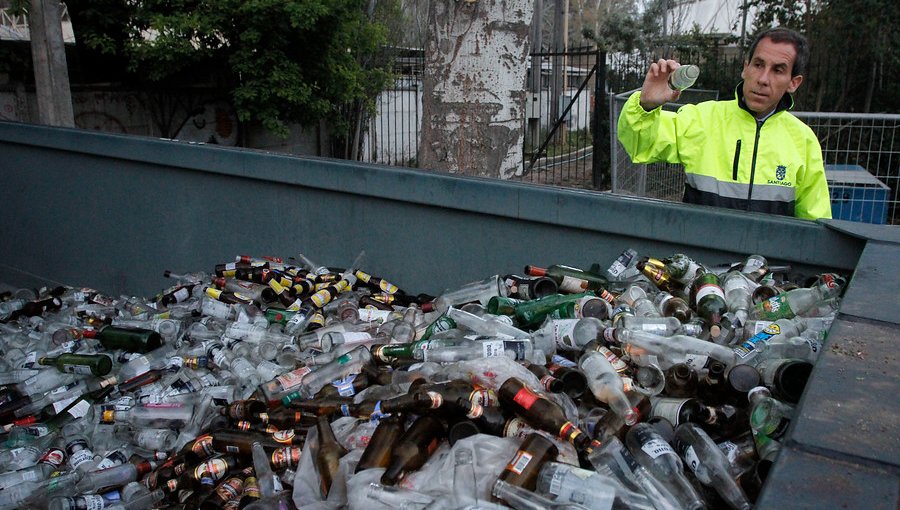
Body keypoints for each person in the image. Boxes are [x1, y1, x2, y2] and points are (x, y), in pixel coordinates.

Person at [617, 27, 832, 220]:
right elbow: (641, 144)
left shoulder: (803, 140)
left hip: (767, 263)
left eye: (778, 70)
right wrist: (646, 105)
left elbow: (814, 222)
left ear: (793, 83)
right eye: (758, 65)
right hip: (699, 260)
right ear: (745, 68)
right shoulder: (703, 119)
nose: (763, 79)